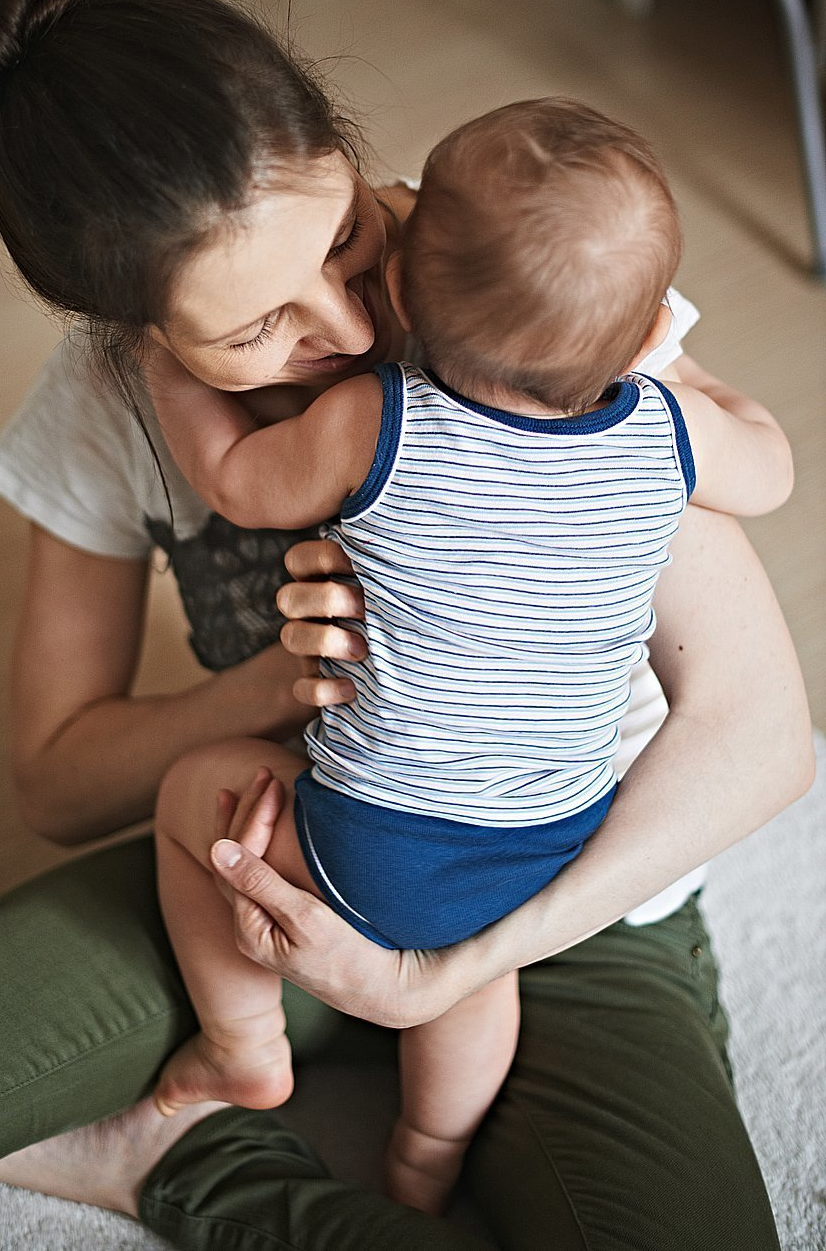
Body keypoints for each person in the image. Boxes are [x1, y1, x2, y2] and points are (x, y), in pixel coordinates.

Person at [0, 0, 813, 1251]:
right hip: (266, 859)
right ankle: (211, 1135)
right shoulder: (112, 403)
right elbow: (55, 781)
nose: (350, 332)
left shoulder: (518, 278)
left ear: (346, 151)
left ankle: (198, 1173)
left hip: (565, 910)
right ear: (138, 340)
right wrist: (271, 685)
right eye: (254, 334)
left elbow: (756, 734)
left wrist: (445, 972)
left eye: (350, 240)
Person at [142, 97, 794, 1214]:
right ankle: (428, 1148)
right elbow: (772, 471)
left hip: (374, 839)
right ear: (646, 338)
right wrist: (677, 380)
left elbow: (235, 483)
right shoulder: (663, 431)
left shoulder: (370, 420)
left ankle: (239, 1040)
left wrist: (166, 368)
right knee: (473, 974)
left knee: (193, 795)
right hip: (562, 833)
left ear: (397, 294)